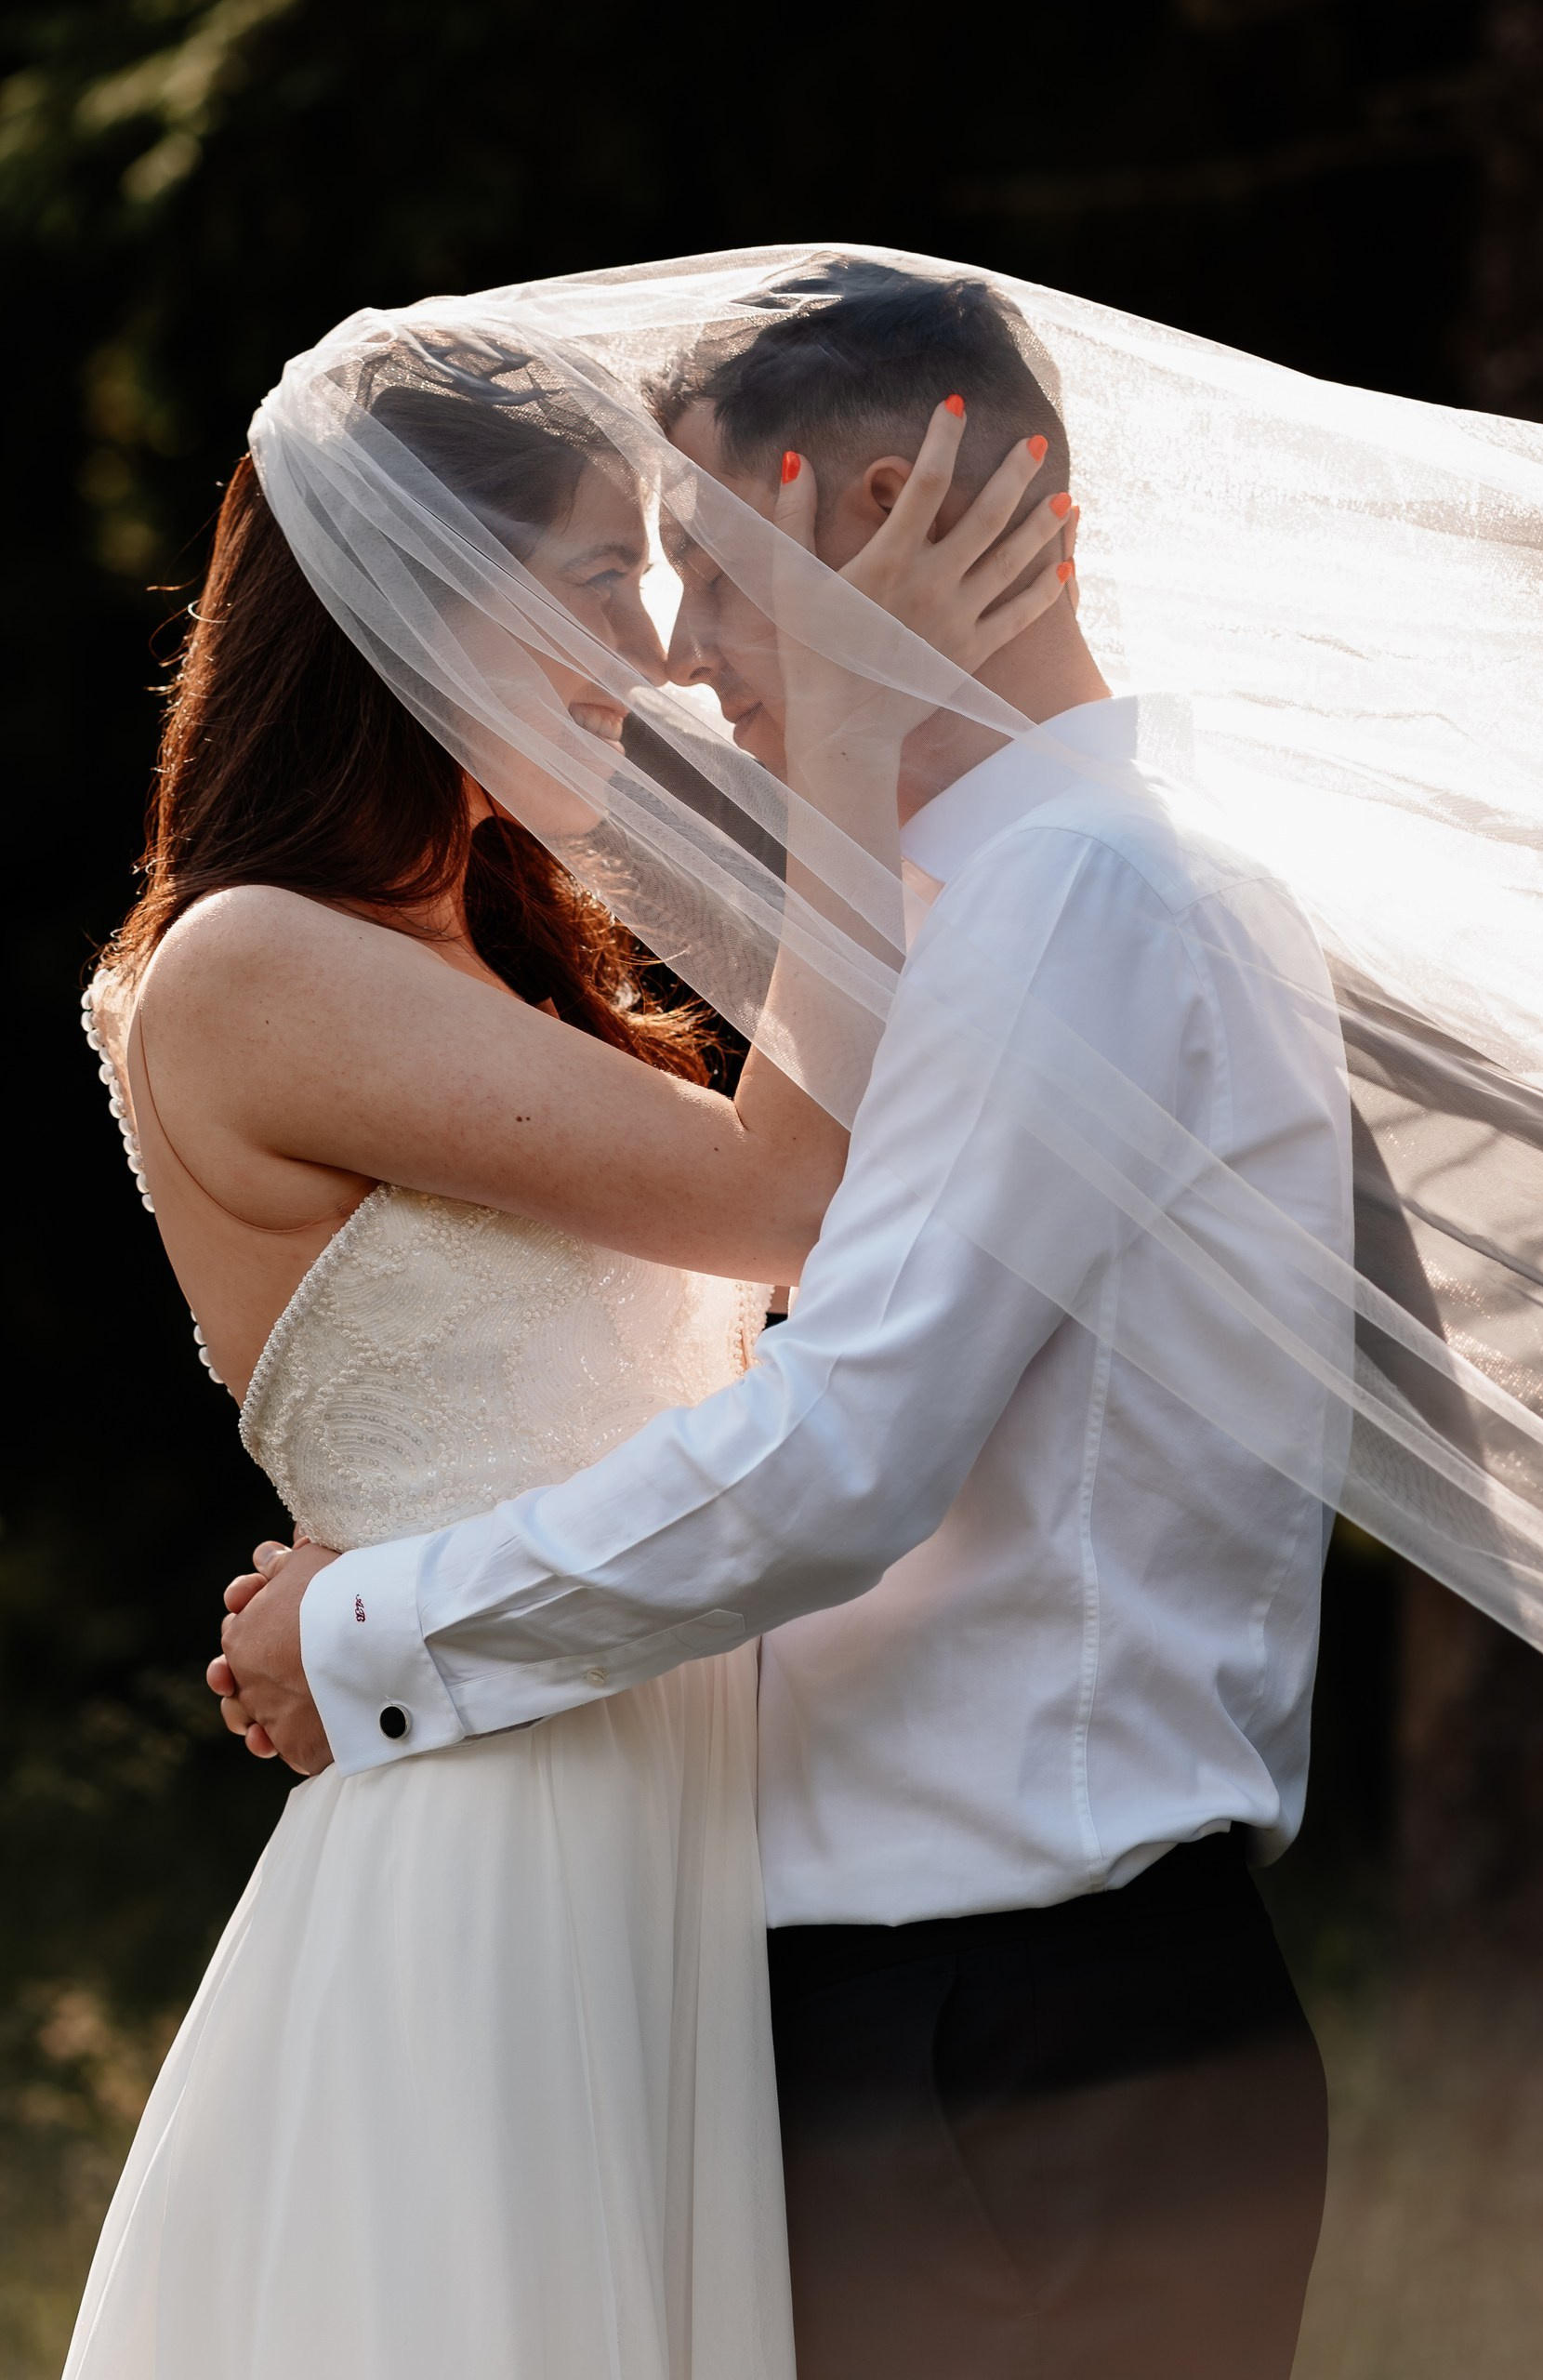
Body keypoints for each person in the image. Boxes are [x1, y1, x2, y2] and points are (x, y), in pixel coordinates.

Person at [221, 258, 1353, 2380]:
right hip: (957, 2027)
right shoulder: (1021, 902)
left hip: (1003, 2043)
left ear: (896, 523)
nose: (689, 655)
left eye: (721, 568)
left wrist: (370, 1626)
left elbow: (846, 1457)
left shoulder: (1073, 899)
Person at [68, 348, 1069, 2379]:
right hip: (501, 1854)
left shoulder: (476, 965)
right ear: (415, 589)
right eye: (600, 573)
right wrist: (855, 745)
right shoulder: (256, 960)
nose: (659, 648)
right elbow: (792, 1194)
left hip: (663, 1814)